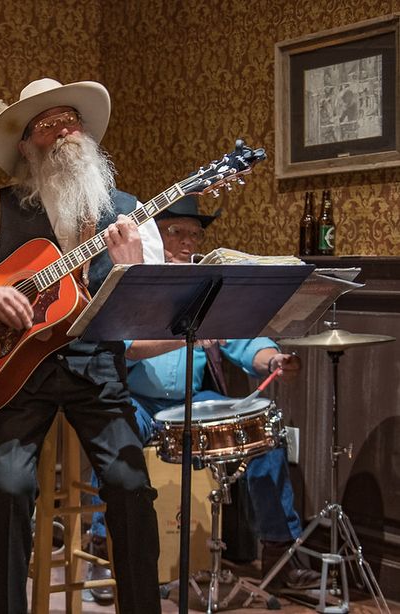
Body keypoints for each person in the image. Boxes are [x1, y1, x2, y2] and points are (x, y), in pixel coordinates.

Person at [0, 78, 164, 613]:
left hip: (97, 371)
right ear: (27, 144)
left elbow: (153, 314)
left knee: (130, 485)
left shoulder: (130, 213)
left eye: (70, 120)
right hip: (19, 374)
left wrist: (130, 271)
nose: (64, 132)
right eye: (47, 125)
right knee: (8, 488)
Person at [87, 196, 320, 597]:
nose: (188, 241)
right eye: (177, 231)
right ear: (155, 236)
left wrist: (272, 359)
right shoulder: (138, 281)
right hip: (140, 401)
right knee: (114, 430)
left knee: (263, 432)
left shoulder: (209, 285)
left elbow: (245, 341)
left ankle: (281, 555)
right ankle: (102, 552)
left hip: (192, 402)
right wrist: (183, 337)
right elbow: (126, 346)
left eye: (196, 233)